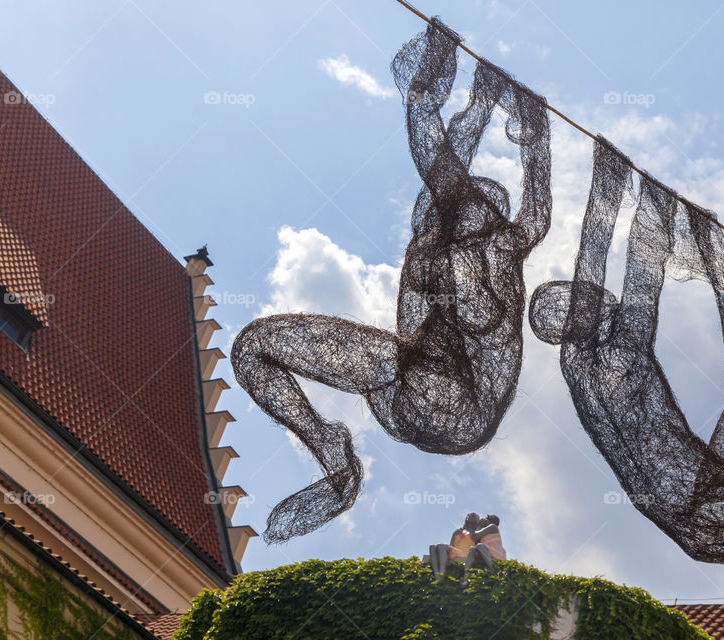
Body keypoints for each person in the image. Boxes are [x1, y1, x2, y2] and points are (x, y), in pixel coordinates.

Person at [230, 20, 552, 544]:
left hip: (458, 402)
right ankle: (333, 455)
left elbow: (534, 211)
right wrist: (478, 102)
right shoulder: (434, 235)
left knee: (281, 348)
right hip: (404, 380)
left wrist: (533, 135)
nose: (462, 201)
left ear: (495, 214)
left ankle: (341, 456)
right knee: (253, 348)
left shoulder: (501, 249)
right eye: (459, 199)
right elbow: (440, 145)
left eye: (477, 202)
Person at [430, 512, 478, 580]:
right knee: (432, 547)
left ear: (476, 519)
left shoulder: (476, 532)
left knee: (441, 546)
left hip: (466, 553)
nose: (469, 516)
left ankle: (442, 572)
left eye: (472, 516)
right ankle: (437, 574)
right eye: (468, 515)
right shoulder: (458, 531)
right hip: (455, 551)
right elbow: (451, 545)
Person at [462, 514, 506, 585]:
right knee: (472, 549)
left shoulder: (493, 527)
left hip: (495, 555)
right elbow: (472, 538)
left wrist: (479, 526)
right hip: (486, 553)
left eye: (486, 519)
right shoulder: (484, 531)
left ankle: (492, 570)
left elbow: (475, 536)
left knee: (480, 546)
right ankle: (465, 575)